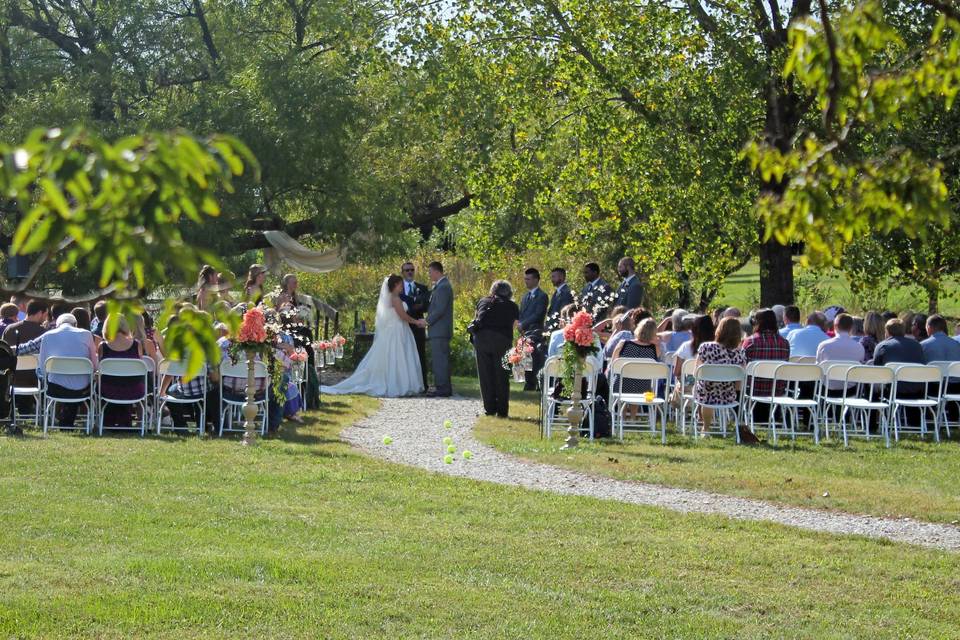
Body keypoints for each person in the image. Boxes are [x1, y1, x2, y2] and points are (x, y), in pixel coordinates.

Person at [322, 275, 426, 397]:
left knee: (396, 357)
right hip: (397, 331)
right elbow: (403, 316)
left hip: (396, 330)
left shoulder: (392, 298)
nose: (402, 286)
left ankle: (399, 383)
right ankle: (399, 384)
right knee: (398, 357)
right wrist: (417, 321)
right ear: (395, 285)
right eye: (400, 284)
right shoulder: (395, 299)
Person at [37, 313, 98, 428]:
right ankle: (67, 419)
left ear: (57, 325)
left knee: (40, 371)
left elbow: (42, 367)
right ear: (75, 324)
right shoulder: (86, 334)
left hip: (56, 389)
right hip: (81, 389)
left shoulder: (47, 336)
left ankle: (59, 417)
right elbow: (94, 366)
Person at [472, 280, 520, 417]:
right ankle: (502, 410)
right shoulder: (512, 306)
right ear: (509, 292)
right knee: (502, 375)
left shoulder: (484, 301)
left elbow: (477, 317)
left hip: (482, 340)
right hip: (502, 341)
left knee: (485, 375)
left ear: (493, 291)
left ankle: (489, 408)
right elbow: (515, 325)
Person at [693, 317, 746, 437]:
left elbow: (696, 373)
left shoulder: (705, 347)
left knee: (706, 393)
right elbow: (741, 377)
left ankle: (705, 428)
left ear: (719, 330)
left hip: (706, 394)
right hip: (728, 395)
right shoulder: (740, 353)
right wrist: (737, 392)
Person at [98, 314, 145, 427]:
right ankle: (125, 422)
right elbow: (140, 368)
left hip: (108, 389)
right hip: (133, 389)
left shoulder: (103, 346)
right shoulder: (136, 344)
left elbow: (100, 368)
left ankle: (108, 421)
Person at [741, 308, 790, 400]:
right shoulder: (784, 343)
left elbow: (742, 366)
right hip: (777, 392)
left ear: (757, 322)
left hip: (753, 391)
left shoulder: (750, 341)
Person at [399, 261, 431, 392]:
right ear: (402, 272)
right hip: (403, 326)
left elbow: (426, 306)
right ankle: (406, 384)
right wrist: (414, 306)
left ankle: (423, 384)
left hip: (418, 326)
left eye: (411, 269)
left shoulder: (422, 288)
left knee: (420, 354)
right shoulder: (398, 288)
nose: (410, 272)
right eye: (407, 270)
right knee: (404, 355)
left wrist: (417, 306)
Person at [3, 299, 48, 389]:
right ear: (39, 313)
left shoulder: (9, 329)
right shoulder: (44, 333)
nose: (46, 318)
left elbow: (4, 352)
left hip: (12, 379)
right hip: (35, 382)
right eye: (45, 314)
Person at [516, 268, 548, 391]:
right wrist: (518, 323)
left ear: (536, 280)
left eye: (528, 279)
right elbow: (521, 313)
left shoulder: (542, 296)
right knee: (524, 358)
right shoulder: (525, 297)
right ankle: (527, 382)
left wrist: (523, 324)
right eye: (525, 279)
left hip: (535, 332)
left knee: (533, 358)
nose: (526, 282)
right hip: (524, 332)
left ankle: (532, 383)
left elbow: (538, 314)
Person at [425, 262, 454, 397]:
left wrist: (426, 321)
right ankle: (442, 386)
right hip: (438, 330)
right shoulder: (441, 286)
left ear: (437, 271)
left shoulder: (443, 287)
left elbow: (439, 310)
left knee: (440, 360)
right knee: (439, 360)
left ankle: (443, 388)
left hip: (440, 330)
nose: (429, 274)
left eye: (430, 271)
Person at [816, 313, 866, 391]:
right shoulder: (859, 347)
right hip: (850, 391)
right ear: (851, 327)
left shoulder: (823, 346)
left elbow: (818, 369)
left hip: (826, 389)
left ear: (835, 326)